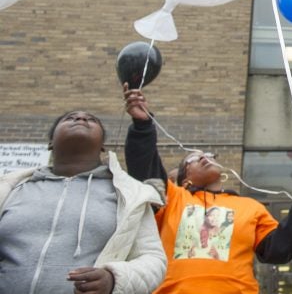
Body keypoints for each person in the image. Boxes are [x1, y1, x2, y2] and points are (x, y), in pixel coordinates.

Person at [122, 84, 292, 294]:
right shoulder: (172, 199)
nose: (204, 157)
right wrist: (142, 125)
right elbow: (145, 166)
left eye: (209, 155)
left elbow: (278, 250)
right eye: (193, 158)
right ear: (184, 181)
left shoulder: (250, 207)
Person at [0, 111, 167, 294]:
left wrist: (114, 279)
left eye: (91, 120)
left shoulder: (132, 195)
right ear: (50, 143)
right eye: (70, 118)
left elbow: (153, 259)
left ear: (103, 146)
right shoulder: (10, 189)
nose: (81, 119)